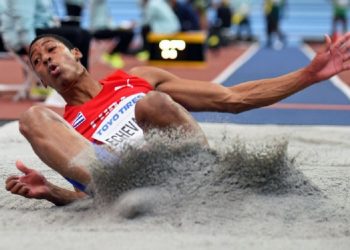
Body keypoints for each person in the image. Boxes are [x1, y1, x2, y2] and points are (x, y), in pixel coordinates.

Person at [5, 32, 350, 206]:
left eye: (51, 49)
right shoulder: (66, 131)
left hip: (186, 167)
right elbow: (88, 195)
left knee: (151, 104)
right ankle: (129, 196)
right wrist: (52, 192)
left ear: (75, 53)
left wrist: (308, 75)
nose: (46, 59)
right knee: (32, 117)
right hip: (127, 184)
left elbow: (233, 98)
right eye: (37, 61)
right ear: (42, 80)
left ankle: (203, 176)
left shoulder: (137, 78)